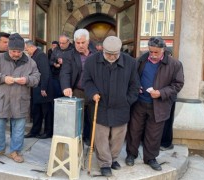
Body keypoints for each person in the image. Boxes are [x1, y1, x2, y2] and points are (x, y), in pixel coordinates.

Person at [83, 36, 140, 177]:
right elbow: (87, 81)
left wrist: (127, 100)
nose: (112, 57)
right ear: (102, 50)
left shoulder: (130, 62)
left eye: (115, 54)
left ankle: (113, 158)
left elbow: (135, 85)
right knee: (101, 136)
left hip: (121, 106)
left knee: (118, 136)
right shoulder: (91, 61)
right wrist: (92, 93)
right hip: (100, 104)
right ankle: (104, 163)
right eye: (108, 54)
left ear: (120, 51)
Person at [126, 36, 184, 171]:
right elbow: (132, 77)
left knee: (154, 133)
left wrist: (161, 92)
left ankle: (150, 158)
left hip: (159, 105)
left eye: (156, 52)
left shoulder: (174, 64)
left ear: (163, 50)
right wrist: (136, 86)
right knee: (134, 130)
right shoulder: (140, 60)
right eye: (151, 51)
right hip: (139, 102)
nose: (152, 55)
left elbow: (178, 84)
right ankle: (131, 154)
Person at [0, 33, 40, 163]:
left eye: (19, 51)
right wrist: (3, 78)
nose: (16, 54)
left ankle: (15, 151)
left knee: (19, 128)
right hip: (1, 99)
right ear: (8, 49)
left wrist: (26, 80)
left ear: (23, 49)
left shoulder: (30, 62)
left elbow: (37, 78)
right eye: (13, 51)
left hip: (20, 100)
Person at [60, 29, 96, 145]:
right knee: (76, 120)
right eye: (77, 43)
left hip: (93, 91)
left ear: (88, 41)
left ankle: (91, 142)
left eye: (83, 42)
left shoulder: (96, 54)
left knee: (93, 119)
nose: (80, 45)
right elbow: (65, 72)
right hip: (77, 91)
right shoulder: (69, 55)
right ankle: (77, 144)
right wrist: (66, 86)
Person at [24, 40, 54, 139]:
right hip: (36, 88)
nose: (26, 51)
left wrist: (43, 88)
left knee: (46, 112)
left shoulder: (41, 56)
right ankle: (34, 131)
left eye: (27, 49)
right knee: (36, 111)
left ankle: (48, 132)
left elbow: (45, 73)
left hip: (43, 89)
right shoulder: (34, 56)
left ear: (31, 47)